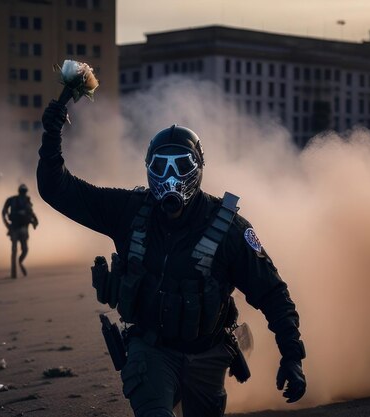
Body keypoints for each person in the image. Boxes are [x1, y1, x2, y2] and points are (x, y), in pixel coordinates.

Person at [37, 101, 307, 417]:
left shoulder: (229, 230)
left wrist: (292, 357)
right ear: (148, 167)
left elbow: (273, 294)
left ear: (199, 167)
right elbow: (58, 189)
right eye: (160, 165)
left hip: (207, 355)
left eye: (180, 165)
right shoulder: (129, 210)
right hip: (150, 349)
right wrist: (51, 134)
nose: (170, 175)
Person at [2, 184, 39, 278]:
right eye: (22, 191)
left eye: (24, 192)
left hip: (24, 228)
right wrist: (6, 223)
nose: (23, 193)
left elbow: (31, 213)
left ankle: (20, 262)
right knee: (14, 250)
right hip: (14, 228)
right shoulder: (12, 200)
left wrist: (35, 221)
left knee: (25, 249)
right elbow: (4, 211)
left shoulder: (27, 201)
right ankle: (13, 273)